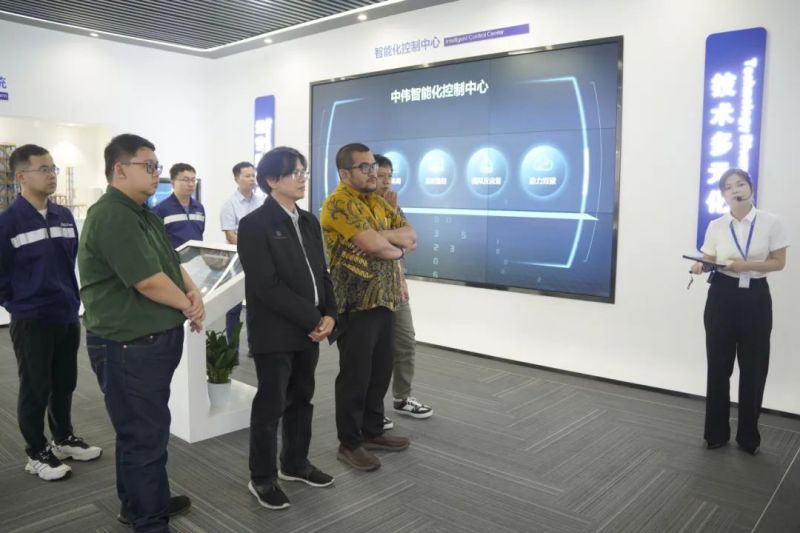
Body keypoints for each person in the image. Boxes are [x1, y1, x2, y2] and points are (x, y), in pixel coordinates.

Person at [79, 134, 205, 531]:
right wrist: (188, 305)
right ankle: (149, 520)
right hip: (128, 346)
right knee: (144, 437)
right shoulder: (112, 215)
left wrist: (193, 292)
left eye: (157, 166)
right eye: (148, 166)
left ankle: (138, 504)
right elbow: (147, 281)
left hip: (146, 344)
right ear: (120, 169)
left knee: (141, 431)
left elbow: (169, 261)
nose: (157, 174)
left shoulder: (142, 213)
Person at [237, 146, 337, 510]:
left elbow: (322, 273)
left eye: (303, 171)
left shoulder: (308, 221)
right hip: (276, 332)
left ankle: (295, 463)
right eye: (295, 172)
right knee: (271, 405)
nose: (302, 178)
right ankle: (262, 478)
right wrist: (313, 319)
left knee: (302, 399)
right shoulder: (254, 225)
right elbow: (266, 284)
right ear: (272, 180)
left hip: (310, 330)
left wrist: (330, 314)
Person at [0, 144, 101, 481]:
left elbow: (69, 261)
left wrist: (71, 300)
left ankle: (63, 438)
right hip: (32, 319)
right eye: (43, 169)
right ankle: (36, 451)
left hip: (67, 314)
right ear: (21, 176)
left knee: (64, 382)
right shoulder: (8, 223)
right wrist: (19, 304)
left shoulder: (64, 216)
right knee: (35, 387)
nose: (52, 175)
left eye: (53, 168)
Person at [320, 143, 416, 472]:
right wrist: (393, 246)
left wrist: (384, 238)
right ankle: (349, 442)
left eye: (374, 166)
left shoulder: (378, 201)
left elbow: (411, 236)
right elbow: (373, 245)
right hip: (356, 303)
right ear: (345, 173)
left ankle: (373, 431)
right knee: (355, 377)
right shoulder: (338, 204)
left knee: (380, 371)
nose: (373, 172)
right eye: (365, 167)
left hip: (386, 299)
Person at [691, 168, 789, 456]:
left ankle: (748, 437)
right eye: (729, 187)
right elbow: (710, 259)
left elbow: (779, 262)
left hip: (755, 298)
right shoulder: (716, 225)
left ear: (751, 188)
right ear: (723, 195)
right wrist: (701, 265)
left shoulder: (770, 222)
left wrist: (744, 265)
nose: (735, 190)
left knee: (754, 368)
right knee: (718, 366)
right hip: (722, 296)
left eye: (741, 184)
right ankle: (715, 434)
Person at [374, 154, 433, 430]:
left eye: (389, 175)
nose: (386, 181)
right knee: (375, 352)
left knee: (406, 342)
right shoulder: (359, 207)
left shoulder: (393, 205)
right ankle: (372, 408)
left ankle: (402, 397)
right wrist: (392, 236)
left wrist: (400, 275)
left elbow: (411, 240)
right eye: (380, 175)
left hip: (396, 286)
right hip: (370, 291)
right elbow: (371, 243)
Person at [220, 161, 264, 360]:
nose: (252, 179)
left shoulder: (262, 201)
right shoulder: (229, 205)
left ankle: (255, 346)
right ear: (236, 178)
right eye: (247, 176)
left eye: (253, 175)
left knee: (257, 307)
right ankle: (233, 350)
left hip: (259, 261)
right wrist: (251, 248)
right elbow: (230, 235)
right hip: (237, 262)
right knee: (234, 308)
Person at [152, 162, 205, 248]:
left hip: (196, 255)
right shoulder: (160, 209)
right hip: (172, 256)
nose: (191, 184)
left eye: (193, 180)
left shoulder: (199, 207)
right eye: (186, 180)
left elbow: (200, 233)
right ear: (173, 183)